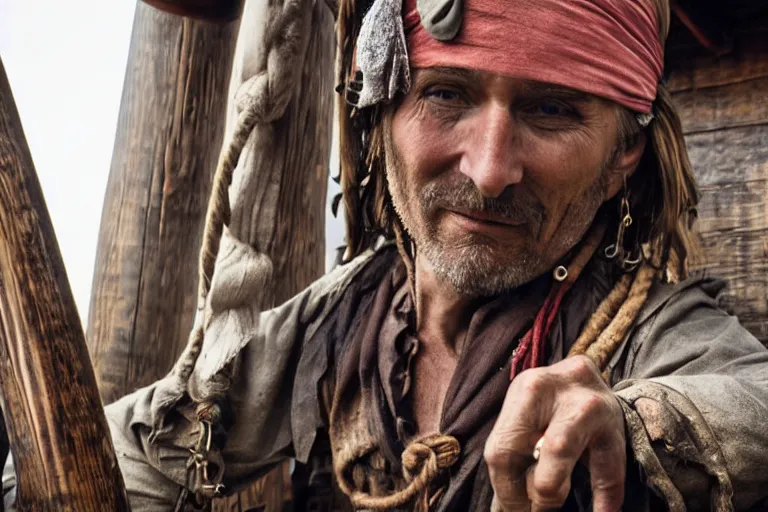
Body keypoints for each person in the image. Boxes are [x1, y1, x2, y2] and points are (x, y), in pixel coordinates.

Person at [8, 0, 768, 510]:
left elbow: (749, 401)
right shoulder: (340, 320)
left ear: (623, 155)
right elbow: (135, 447)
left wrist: (628, 427)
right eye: (446, 95)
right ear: (381, 116)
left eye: (552, 110)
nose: (489, 168)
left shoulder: (649, 327)